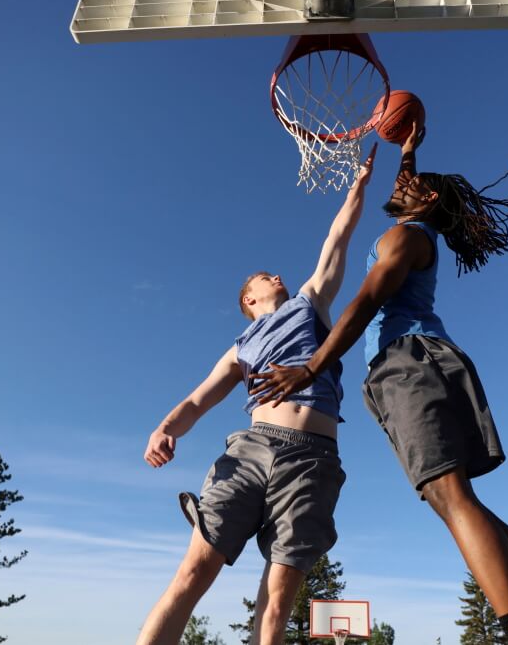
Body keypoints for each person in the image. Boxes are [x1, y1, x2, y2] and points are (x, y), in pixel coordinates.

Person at [250, 124, 508, 645]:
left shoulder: (405, 238)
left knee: (451, 496)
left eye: (412, 182)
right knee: (458, 500)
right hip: (419, 363)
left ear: (425, 199)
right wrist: (407, 149)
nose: (400, 185)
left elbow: (365, 302)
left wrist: (311, 368)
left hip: (411, 363)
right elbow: (409, 193)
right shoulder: (413, 228)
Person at [135, 144, 377, 645]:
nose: (277, 275)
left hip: (312, 458)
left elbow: (337, 240)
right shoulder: (240, 346)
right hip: (250, 449)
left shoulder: (311, 302)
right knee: (192, 574)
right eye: (265, 277)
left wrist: (357, 188)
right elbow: (199, 400)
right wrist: (165, 428)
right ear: (249, 299)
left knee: (276, 609)